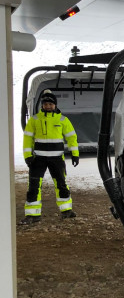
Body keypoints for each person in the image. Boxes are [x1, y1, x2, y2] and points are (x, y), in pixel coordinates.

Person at [22, 89, 79, 224]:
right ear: (42, 105)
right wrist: (28, 156)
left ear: (55, 105)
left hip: (57, 159)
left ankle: (66, 211)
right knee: (34, 186)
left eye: (50, 104)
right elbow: (27, 139)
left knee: (61, 184)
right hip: (38, 159)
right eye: (45, 104)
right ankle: (32, 215)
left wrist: (75, 154)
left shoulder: (63, 120)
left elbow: (72, 137)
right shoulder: (34, 120)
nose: (48, 106)